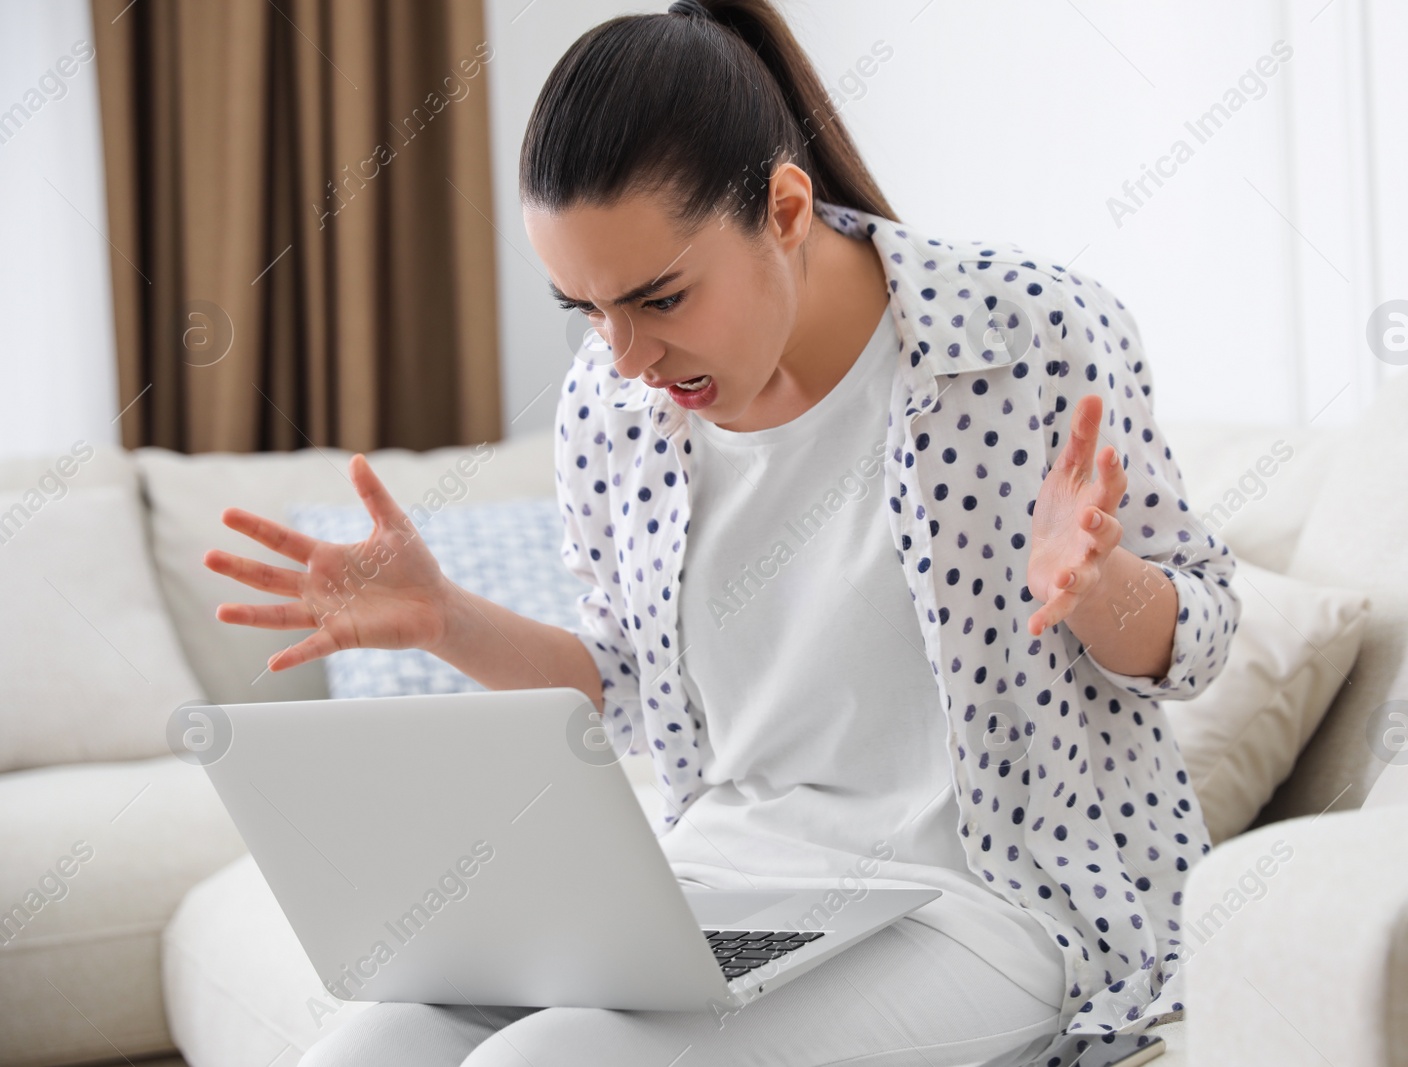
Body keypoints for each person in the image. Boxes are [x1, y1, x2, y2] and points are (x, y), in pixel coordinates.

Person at [203, 1, 1240, 1063]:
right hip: (723, 880)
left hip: (984, 899)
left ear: (786, 209)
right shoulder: (609, 413)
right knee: (371, 1046)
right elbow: (634, 695)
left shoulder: (1029, 333)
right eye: (584, 308)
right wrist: (443, 620)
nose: (625, 355)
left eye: (660, 297)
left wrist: (1101, 578)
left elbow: (1199, 634)